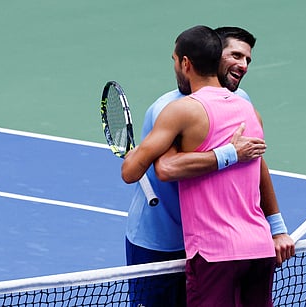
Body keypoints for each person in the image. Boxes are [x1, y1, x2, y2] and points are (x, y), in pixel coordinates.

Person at [125, 26, 294, 307]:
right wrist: (230, 153)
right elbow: (165, 169)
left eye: (247, 60)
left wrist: (276, 226)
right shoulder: (168, 108)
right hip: (161, 238)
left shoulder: (242, 103)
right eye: (236, 56)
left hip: (212, 245)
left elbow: (257, 161)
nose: (243, 66)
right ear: (214, 57)